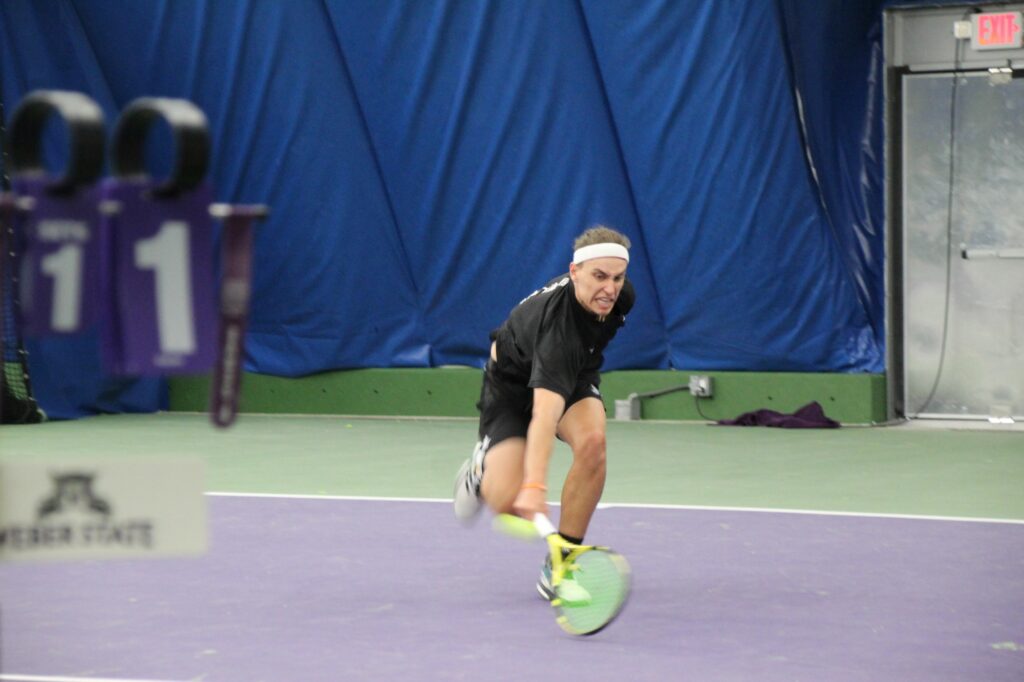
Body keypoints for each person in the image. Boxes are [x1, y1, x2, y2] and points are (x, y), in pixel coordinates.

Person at [453, 224, 635, 600]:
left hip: (572, 372)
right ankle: (480, 466)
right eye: (599, 276)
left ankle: (563, 560)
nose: (610, 288)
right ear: (574, 272)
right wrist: (534, 487)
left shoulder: (621, 298)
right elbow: (543, 417)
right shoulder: (558, 332)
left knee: (593, 444)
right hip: (511, 388)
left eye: (617, 278)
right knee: (506, 501)